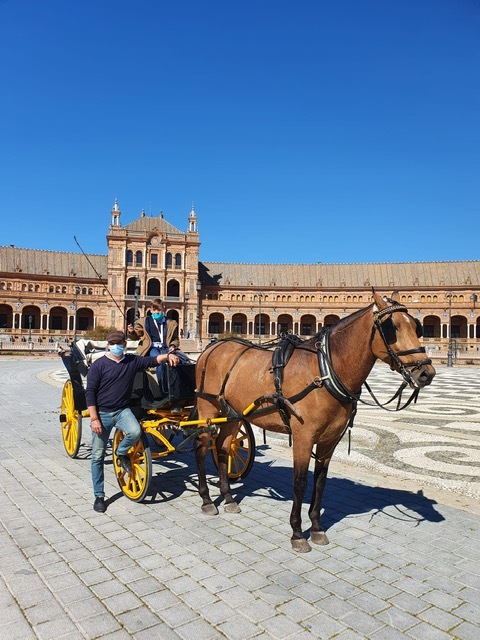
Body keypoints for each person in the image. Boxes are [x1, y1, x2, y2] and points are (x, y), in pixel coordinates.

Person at [85, 330, 179, 513]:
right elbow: (90, 393)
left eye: (120, 343)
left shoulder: (131, 361)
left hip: (122, 411)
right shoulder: (99, 365)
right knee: (97, 456)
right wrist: (94, 418)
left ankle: (120, 453)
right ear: (108, 345)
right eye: (113, 343)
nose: (117, 346)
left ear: (125, 345)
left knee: (136, 431)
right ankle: (99, 496)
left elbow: (153, 361)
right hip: (102, 414)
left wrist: (169, 355)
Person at [127, 298, 179, 396]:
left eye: (159, 310)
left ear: (163, 309)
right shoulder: (144, 322)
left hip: (166, 347)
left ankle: (174, 388)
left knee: (175, 363)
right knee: (159, 362)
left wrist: (173, 345)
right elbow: (135, 336)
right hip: (151, 348)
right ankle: (163, 390)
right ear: (150, 310)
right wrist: (131, 331)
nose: (156, 312)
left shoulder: (170, 323)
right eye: (154, 310)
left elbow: (175, 339)